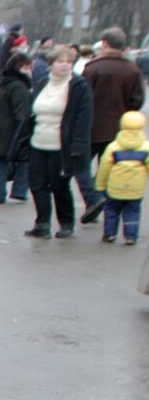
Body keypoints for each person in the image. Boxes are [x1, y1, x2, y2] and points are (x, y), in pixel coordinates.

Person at [22, 45, 92, 239]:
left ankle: (66, 223)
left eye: (69, 62)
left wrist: (78, 146)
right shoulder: (43, 83)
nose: (65, 65)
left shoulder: (78, 86)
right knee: (37, 185)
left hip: (61, 146)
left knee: (59, 186)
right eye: (60, 61)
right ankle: (42, 224)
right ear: (51, 64)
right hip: (38, 142)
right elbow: (31, 113)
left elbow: (83, 119)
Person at [80, 26, 143, 223]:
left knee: (80, 165)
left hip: (91, 127)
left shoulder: (92, 68)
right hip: (119, 130)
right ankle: (104, 205)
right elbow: (137, 100)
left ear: (105, 43)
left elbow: (82, 98)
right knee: (108, 169)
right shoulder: (132, 69)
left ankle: (93, 199)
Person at [92, 109, 148, 245]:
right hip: (136, 189)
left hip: (114, 188)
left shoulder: (113, 147)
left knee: (111, 210)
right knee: (133, 211)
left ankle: (110, 234)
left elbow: (104, 168)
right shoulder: (146, 147)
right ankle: (130, 236)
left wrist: (100, 184)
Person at [0, 53, 33, 204]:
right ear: (18, 68)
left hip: (0, 128)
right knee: (23, 159)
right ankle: (20, 190)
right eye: (27, 67)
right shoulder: (20, 87)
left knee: (0, 161)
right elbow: (22, 112)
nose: (30, 70)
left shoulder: (6, 83)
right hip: (14, 130)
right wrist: (26, 129)